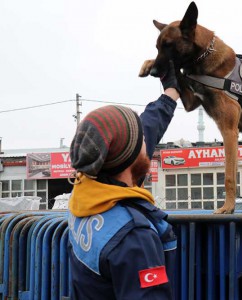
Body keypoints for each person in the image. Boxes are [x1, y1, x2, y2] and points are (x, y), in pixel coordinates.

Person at [67, 61, 180, 299]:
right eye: (142, 143)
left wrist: (170, 91)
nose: (147, 144)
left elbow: (146, 127)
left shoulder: (85, 195)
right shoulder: (134, 238)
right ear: (129, 159)